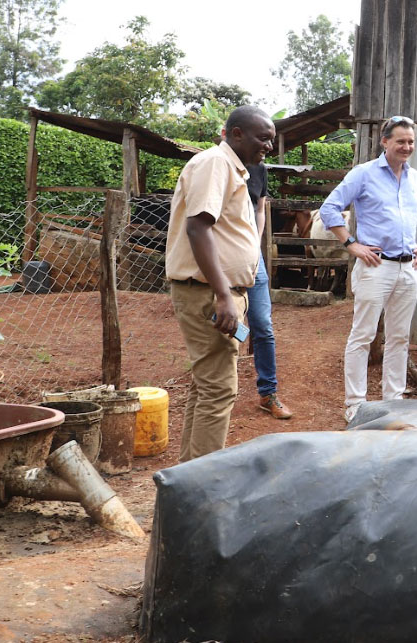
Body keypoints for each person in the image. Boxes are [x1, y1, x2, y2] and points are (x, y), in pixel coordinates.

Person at [165, 106, 275, 462]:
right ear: (237, 133)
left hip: (220, 294)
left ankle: (188, 476)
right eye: (263, 138)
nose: (269, 147)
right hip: (209, 294)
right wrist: (225, 295)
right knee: (218, 390)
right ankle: (202, 487)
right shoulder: (214, 163)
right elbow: (198, 227)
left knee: (206, 387)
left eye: (271, 140)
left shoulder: (236, 170)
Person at [320, 116, 417, 422]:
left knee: (400, 338)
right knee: (363, 336)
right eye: (400, 141)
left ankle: (394, 401)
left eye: (411, 141)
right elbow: (329, 209)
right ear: (385, 142)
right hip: (376, 266)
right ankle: (355, 405)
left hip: (407, 269)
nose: (407, 147)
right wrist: (351, 244)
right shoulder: (364, 174)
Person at [244, 161, 293, 420]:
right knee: (221, 322)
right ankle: (215, 392)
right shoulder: (215, 165)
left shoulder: (259, 169)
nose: (266, 146)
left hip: (253, 257)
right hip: (222, 257)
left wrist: (255, 243)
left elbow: (259, 209)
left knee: (262, 324)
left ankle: (268, 393)